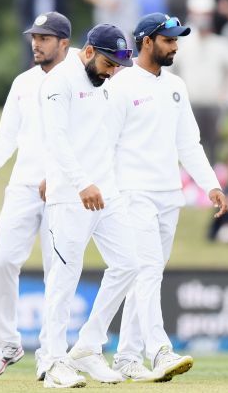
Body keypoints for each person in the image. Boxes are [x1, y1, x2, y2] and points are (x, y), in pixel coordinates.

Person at [106, 12, 226, 382]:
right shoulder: (121, 85)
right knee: (145, 271)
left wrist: (210, 184)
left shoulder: (176, 86)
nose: (175, 46)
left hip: (168, 195)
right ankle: (158, 350)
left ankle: (126, 357)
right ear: (147, 42)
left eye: (176, 40)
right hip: (132, 193)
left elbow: (188, 143)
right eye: (169, 40)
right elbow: (105, 144)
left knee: (149, 273)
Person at [0, 12, 71, 381]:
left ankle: (51, 352)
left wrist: (62, 177)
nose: (36, 43)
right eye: (34, 37)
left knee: (58, 271)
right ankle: (6, 344)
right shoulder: (22, 82)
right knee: (3, 261)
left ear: (64, 43)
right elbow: (5, 137)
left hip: (64, 188)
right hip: (23, 186)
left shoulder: (80, 80)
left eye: (45, 37)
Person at [38, 24, 139, 388]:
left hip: (106, 192)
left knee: (129, 263)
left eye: (117, 66)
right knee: (64, 277)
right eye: (109, 63)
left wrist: (104, 183)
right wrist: (79, 182)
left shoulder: (104, 84)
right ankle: (52, 362)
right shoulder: (59, 81)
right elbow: (57, 137)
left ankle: (87, 346)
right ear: (88, 51)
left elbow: (101, 137)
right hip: (71, 195)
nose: (112, 71)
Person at [171, 0, 228, 162]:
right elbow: (167, 69)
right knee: (187, 149)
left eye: (205, 14)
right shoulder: (181, 44)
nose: (201, 18)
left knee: (213, 150)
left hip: (215, 106)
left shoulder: (220, 44)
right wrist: (174, 95)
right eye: (198, 14)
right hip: (189, 106)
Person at [14, 0, 69, 70]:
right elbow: (22, 13)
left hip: (53, 32)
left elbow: (65, 14)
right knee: (30, 62)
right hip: (31, 31)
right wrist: (29, 32)